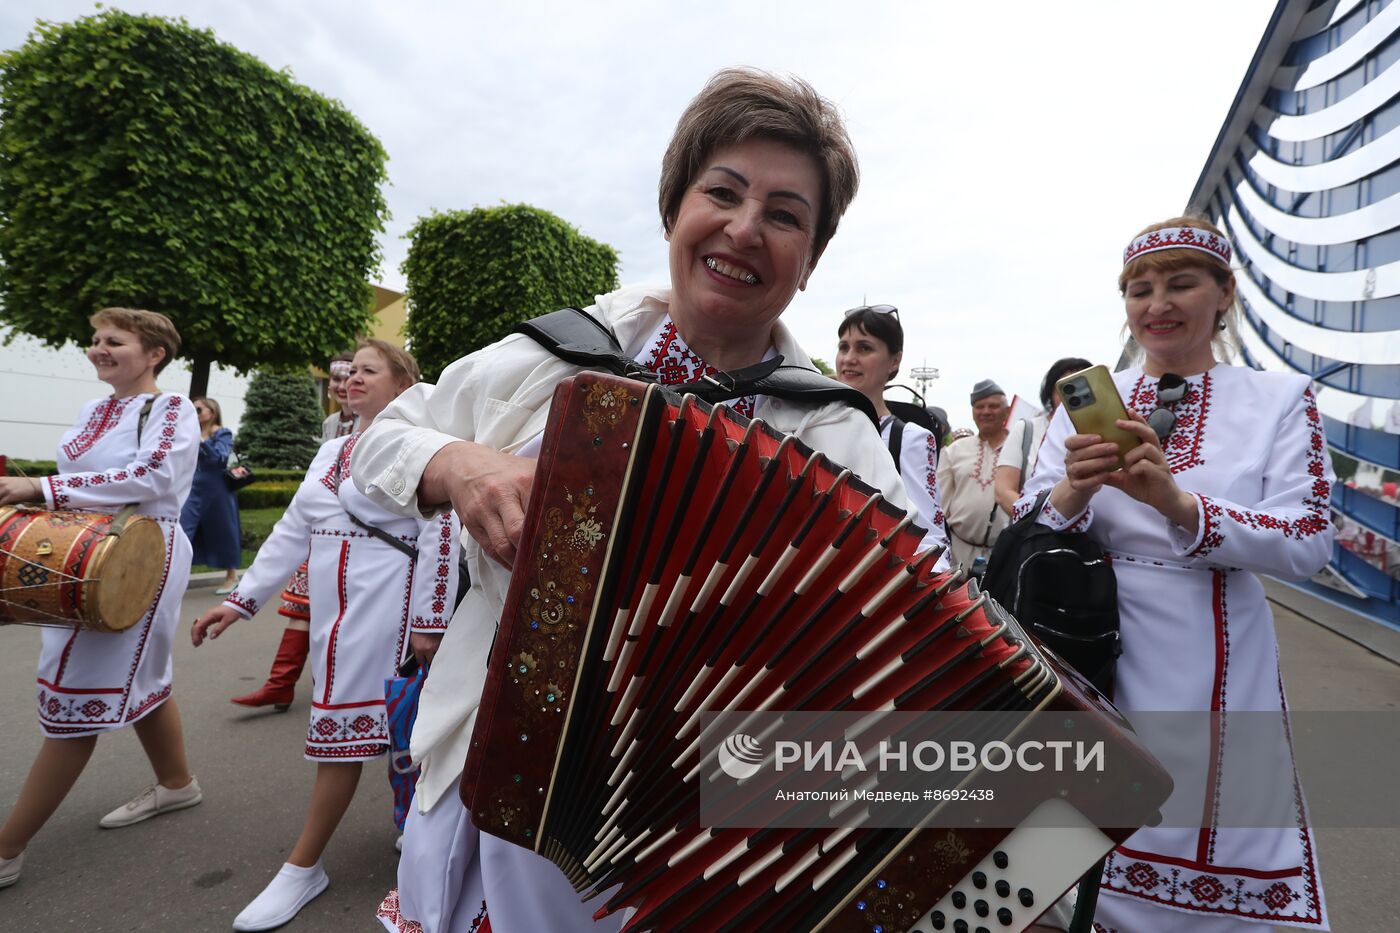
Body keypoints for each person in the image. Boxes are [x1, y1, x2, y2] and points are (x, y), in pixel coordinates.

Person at [351, 68, 907, 933]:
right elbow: (383, 438)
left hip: (697, 826)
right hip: (489, 764)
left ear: (810, 261)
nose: (745, 227)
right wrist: (460, 466)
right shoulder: (555, 353)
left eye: (786, 215)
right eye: (721, 192)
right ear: (674, 208)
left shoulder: (836, 435)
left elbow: (898, 644)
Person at [1019, 217, 1332, 930]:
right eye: (1140, 289)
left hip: (1216, 653)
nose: (1156, 303)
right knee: (1066, 845)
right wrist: (1075, 489)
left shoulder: (1280, 399)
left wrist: (1177, 503)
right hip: (1088, 645)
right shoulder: (1081, 398)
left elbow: (1311, 539)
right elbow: (1029, 527)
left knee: (1210, 828)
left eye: (1180, 283)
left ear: (1223, 294)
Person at [191, 339, 460, 932]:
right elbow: (292, 527)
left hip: (389, 606)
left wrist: (428, 620)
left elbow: (443, 528)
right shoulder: (331, 448)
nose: (350, 377)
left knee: (357, 727)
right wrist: (239, 604)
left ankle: (303, 865)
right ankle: (416, 830)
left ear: (402, 382)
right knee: (396, 727)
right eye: (348, 371)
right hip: (334, 612)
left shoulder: (425, 441)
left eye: (367, 370)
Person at [0, 308, 201, 890]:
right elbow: (89, 478)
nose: (97, 349)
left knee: (74, 701)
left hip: (140, 554)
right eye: (95, 340)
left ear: (154, 354)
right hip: (84, 553)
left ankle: (7, 848)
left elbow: (156, 477)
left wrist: (43, 487)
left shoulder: (172, 408)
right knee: (142, 674)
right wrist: (44, 497)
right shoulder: (94, 409)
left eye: (114, 341)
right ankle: (178, 784)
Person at [835, 303, 951, 568]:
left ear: (894, 360)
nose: (849, 358)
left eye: (864, 348)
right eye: (844, 347)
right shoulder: (813, 422)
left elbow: (930, 536)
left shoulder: (910, 438)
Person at [993, 357, 1090, 516]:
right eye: (1066, 387)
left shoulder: (1102, 431)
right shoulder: (1027, 429)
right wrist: (1042, 520)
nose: (1074, 394)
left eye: (1082, 386)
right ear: (1051, 392)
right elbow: (1003, 492)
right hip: (1035, 534)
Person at [937, 378, 1011, 570]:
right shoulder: (954, 451)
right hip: (957, 552)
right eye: (979, 407)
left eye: (993, 406)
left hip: (1006, 555)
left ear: (1007, 411)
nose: (986, 412)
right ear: (972, 412)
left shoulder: (1021, 449)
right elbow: (940, 506)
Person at [180, 396, 243, 592]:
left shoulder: (222, 433)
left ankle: (231, 576)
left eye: (199, 410)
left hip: (217, 490)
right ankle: (175, 575)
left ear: (212, 413)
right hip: (192, 488)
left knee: (223, 531)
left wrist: (201, 441)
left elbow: (220, 459)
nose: (195, 413)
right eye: (193, 409)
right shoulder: (188, 432)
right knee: (182, 530)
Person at [322, 351, 357, 441]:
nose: (342, 386)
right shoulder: (329, 423)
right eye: (336, 379)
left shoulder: (370, 421)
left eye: (348, 379)